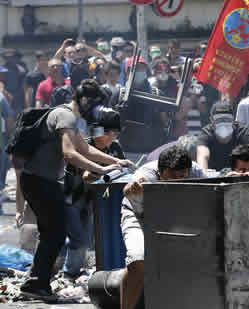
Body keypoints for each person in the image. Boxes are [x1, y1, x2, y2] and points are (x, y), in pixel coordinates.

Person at [18, 79, 134, 300]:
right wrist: (100, 168)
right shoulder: (65, 116)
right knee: (56, 233)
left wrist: (115, 162)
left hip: (43, 181)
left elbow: (84, 148)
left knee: (52, 233)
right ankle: (36, 285)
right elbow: (70, 153)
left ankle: (36, 282)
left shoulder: (71, 120)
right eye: (96, 105)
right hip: (39, 181)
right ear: (84, 100)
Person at [120, 146, 205, 309]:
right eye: (172, 176)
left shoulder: (196, 172)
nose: (177, 181)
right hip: (139, 214)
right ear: (160, 171)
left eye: (182, 176)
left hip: (172, 216)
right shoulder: (145, 175)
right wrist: (133, 189)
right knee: (138, 260)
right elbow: (127, 190)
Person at [61, 108, 125, 279]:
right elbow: (86, 176)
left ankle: (68, 270)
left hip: (94, 201)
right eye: (99, 131)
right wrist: (104, 171)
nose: (101, 136)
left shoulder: (115, 149)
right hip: (73, 198)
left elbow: (121, 171)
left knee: (85, 239)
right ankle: (68, 274)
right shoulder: (84, 146)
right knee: (79, 239)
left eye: (112, 133)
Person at [197, 101, 249, 171]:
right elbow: (202, 155)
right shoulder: (206, 133)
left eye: (227, 119)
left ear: (233, 120)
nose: (223, 123)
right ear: (212, 121)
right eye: (219, 120)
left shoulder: (243, 132)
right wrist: (204, 172)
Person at [2, 48, 28, 113]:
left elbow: (25, 85)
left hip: (19, 98)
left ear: (17, 58)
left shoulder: (22, 68)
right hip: (6, 96)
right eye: (8, 57)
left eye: (12, 57)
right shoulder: (2, 69)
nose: (10, 59)